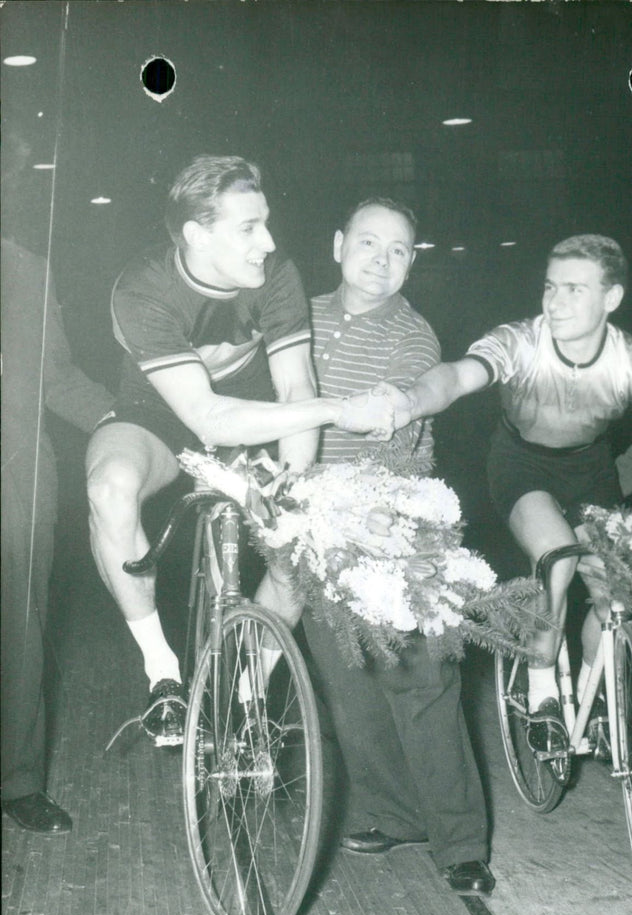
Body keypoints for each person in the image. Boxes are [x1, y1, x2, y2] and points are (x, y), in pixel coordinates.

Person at [85, 156, 393, 739]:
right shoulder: (141, 286)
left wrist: (295, 483)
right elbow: (205, 416)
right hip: (163, 411)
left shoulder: (277, 274)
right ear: (198, 235)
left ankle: (252, 691)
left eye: (267, 222)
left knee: (301, 540)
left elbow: (296, 384)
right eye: (249, 227)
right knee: (109, 489)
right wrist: (338, 411)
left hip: (258, 408)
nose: (269, 241)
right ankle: (163, 675)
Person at [377, 234, 632, 733]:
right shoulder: (520, 340)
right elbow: (455, 377)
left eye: (574, 290)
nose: (555, 302)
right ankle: (542, 699)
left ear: (612, 299)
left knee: (614, 594)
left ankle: (593, 698)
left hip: (591, 470)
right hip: (521, 463)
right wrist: (412, 400)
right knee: (557, 560)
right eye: (551, 287)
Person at [300, 197, 495, 895]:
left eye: (400, 250)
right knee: (349, 685)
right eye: (369, 242)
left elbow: (423, 388)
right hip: (309, 523)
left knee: (421, 683)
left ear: (413, 262)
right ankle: (398, 813)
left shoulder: (413, 332)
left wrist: (403, 402)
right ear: (337, 243)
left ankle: (461, 842)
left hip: (392, 518)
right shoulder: (296, 317)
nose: (382, 260)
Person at [2, 149, 116, 831]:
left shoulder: (26, 271)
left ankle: (17, 780)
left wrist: (127, 416)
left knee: (21, 630)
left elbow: (59, 377)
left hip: (16, 481)